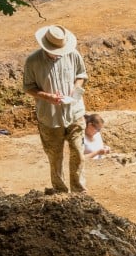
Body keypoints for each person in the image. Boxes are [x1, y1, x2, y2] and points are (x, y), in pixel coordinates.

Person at [23, 25, 89, 193]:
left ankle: (78, 191)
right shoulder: (33, 62)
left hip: (74, 113)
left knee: (78, 153)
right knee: (55, 157)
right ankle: (60, 192)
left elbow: (81, 75)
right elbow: (28, 87)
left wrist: (75, 88)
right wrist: (47, 97)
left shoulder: (73, 54)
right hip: (49, 117)